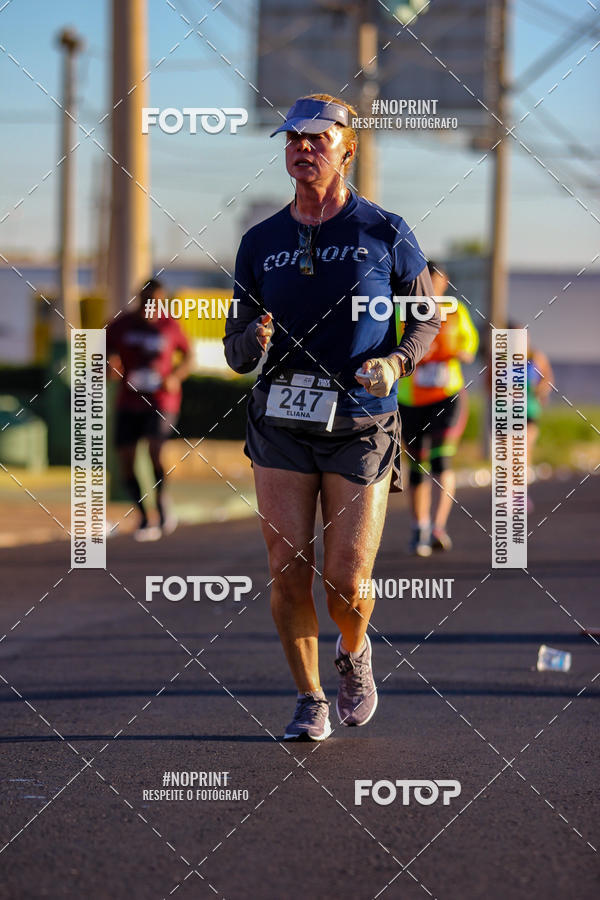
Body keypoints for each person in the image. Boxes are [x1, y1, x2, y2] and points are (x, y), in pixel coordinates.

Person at [224, 94, 440, 742]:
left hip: (361, 422)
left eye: (318, 138)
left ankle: (353, 649)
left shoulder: (386, 231)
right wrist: (252, 341)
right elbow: (235, 350)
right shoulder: (260, 242)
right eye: (293, 138)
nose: (303, 148)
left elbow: (426, 319)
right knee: (287, 566)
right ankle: (309, 696)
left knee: (346, 581)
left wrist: (397, 362)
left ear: (349, 148)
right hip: (281, 422)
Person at [397, 261, 479, 556]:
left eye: (438, 281)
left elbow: (470, 347)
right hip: (410, 399)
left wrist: (454, 352)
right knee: (416, 466)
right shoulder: (402, 311)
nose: (433, 286)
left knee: (442, 460)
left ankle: (437, 528)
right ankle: (419, 527)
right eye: (428, 280)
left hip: (446, 395)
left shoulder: (455, 310)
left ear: (445, 283)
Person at [106, 278, 192, 541]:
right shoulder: (122, 324)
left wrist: (175, 376)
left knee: (156, 450)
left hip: (161, 401)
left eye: (157, 302)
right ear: (139, 300)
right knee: (126, 459)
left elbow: (188, 356)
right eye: (146, 301)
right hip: (129, 400)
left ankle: (162, 503)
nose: (151, 307)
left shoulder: (170, 326)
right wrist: (108, 365)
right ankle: (144, 515)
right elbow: (102, 351)